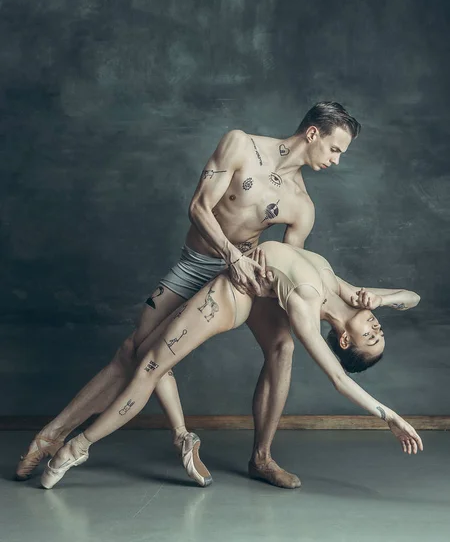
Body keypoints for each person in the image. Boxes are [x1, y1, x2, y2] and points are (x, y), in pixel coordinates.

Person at [17, 102, 360, 489]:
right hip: (197, 263)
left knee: (283, 347)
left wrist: (328, 308)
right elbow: (198, 207)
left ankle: (262, 457)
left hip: (241, 278)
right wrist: (231, 255)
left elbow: (284, 266)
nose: (336, 160)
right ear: (313, 133)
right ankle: (52, 437)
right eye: (335, 149)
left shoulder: (302, 206)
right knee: (135, 354)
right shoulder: (241, 145)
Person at [40, 241, 423, 490]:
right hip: (238, 277)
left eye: (371, 338)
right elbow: (413, 297)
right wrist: (383, 300)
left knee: (151, 366)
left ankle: (77, 447)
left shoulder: (308, 305)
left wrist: (388, 415)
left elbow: (338, 379)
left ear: (344, 340)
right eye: (379, 331)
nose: (375, 327)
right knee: (149, 363)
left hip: (233, 294)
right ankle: (77, 445)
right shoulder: (342, 289)